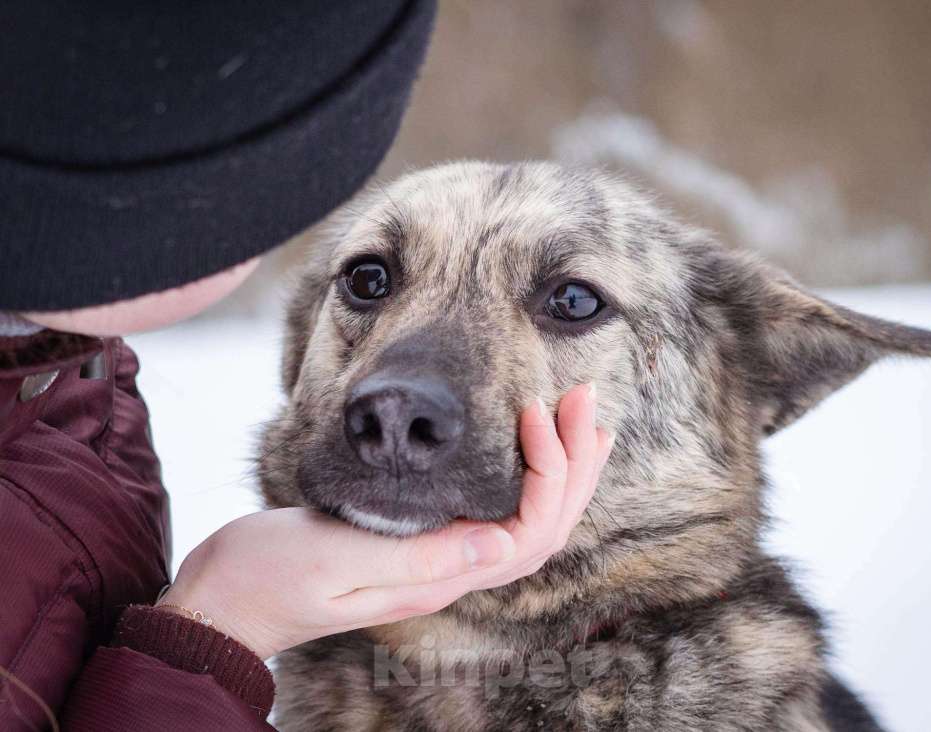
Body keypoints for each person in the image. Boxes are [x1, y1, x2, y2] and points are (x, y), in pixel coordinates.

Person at [0, 3, 612, 730]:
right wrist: (215, 631)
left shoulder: (63, 370)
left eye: (570, 303)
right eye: (371, 282)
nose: (397, 405)